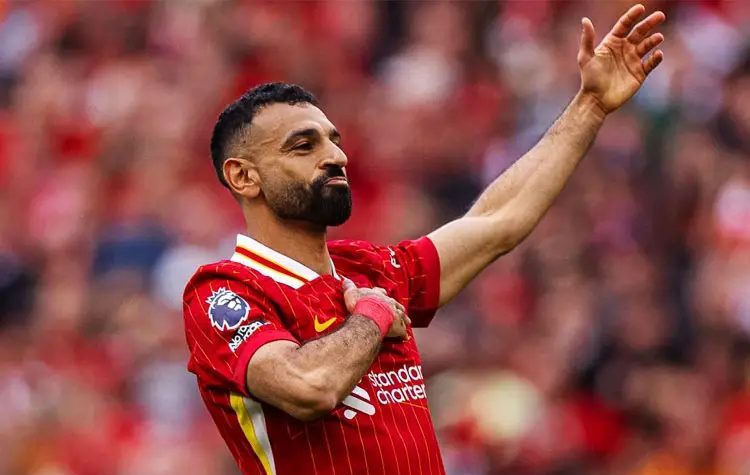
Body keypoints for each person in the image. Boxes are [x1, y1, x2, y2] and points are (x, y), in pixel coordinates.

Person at [182, 5, 665, 475]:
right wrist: (373, 316)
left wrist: (590, 106)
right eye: (304, 145)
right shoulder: (224, 293)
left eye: (335, 140)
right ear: (244, 176)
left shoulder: (372, 270)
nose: (336, 157)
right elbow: (309, 386)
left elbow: (498, 220)